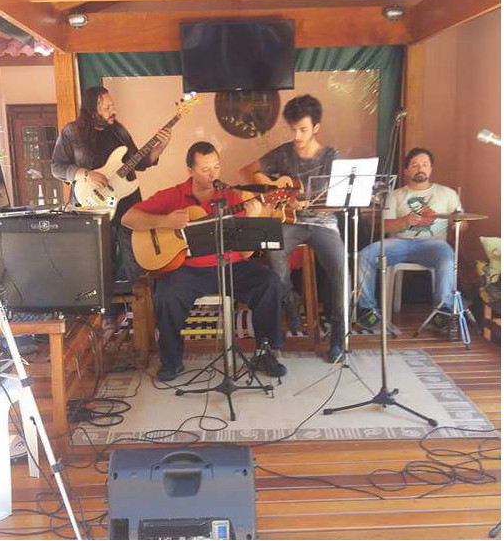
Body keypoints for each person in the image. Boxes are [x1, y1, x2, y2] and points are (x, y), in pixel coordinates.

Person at [122, 141, 286, 381]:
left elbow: (246, 254)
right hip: (188, 269)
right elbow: (128, 218)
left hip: (230, 265)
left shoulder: (233, 196)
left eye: (216, 167)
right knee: (166, 294)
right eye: (205, 169)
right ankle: (171, 361)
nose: (213, 174)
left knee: (269, 282)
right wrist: (165, 221)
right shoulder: (173, 195)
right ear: (190, 170)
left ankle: (265, 353)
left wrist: (252, 219)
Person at [240, 94, 345, 362]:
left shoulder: (331, 156)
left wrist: (311, 203)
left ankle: (337, 334)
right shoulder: (284, 152)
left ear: (316, 128)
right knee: (274, 250)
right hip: (291, 221)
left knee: (340, 269)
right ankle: (289, 301)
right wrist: (276, 187)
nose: (297, 136)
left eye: (303, 130)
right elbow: (248, 171)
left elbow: (339, 201)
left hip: (323, 222)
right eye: (293, 129)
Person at [51, 85, 171, 280]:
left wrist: (161, 146)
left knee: (136, 264)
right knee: (98, 268)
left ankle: (139, 298)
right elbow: (57, 167)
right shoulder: (72, 132)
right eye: (107, 108)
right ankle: (107, 301)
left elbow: (139, 162)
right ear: (91, 110)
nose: (113, 111)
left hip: (126, 205)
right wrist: (85, 174)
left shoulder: (118, 131)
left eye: (113, 106)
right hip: (93, 206)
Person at [357, 147, 461, 329]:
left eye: (425, 164)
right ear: (406, 170)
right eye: (415, 165)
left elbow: (461, 220)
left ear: (431, 168)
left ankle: (443, 311)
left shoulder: (447, 194)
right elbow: (385, 226)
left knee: (448, 257)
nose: (421, 168)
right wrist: (405, 220)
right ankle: (367, 310)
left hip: (433, 245)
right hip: (399, 243)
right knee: (366, 255)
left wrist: (460, 225)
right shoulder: (395, 195)